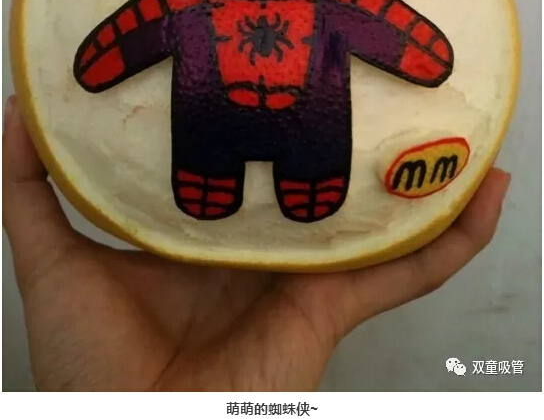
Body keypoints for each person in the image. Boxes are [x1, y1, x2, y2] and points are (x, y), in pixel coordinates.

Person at [2, 95, 510, 391]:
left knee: (300, 159)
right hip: (217, 122)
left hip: (300, 123)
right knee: (219, 157)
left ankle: (294, 185)